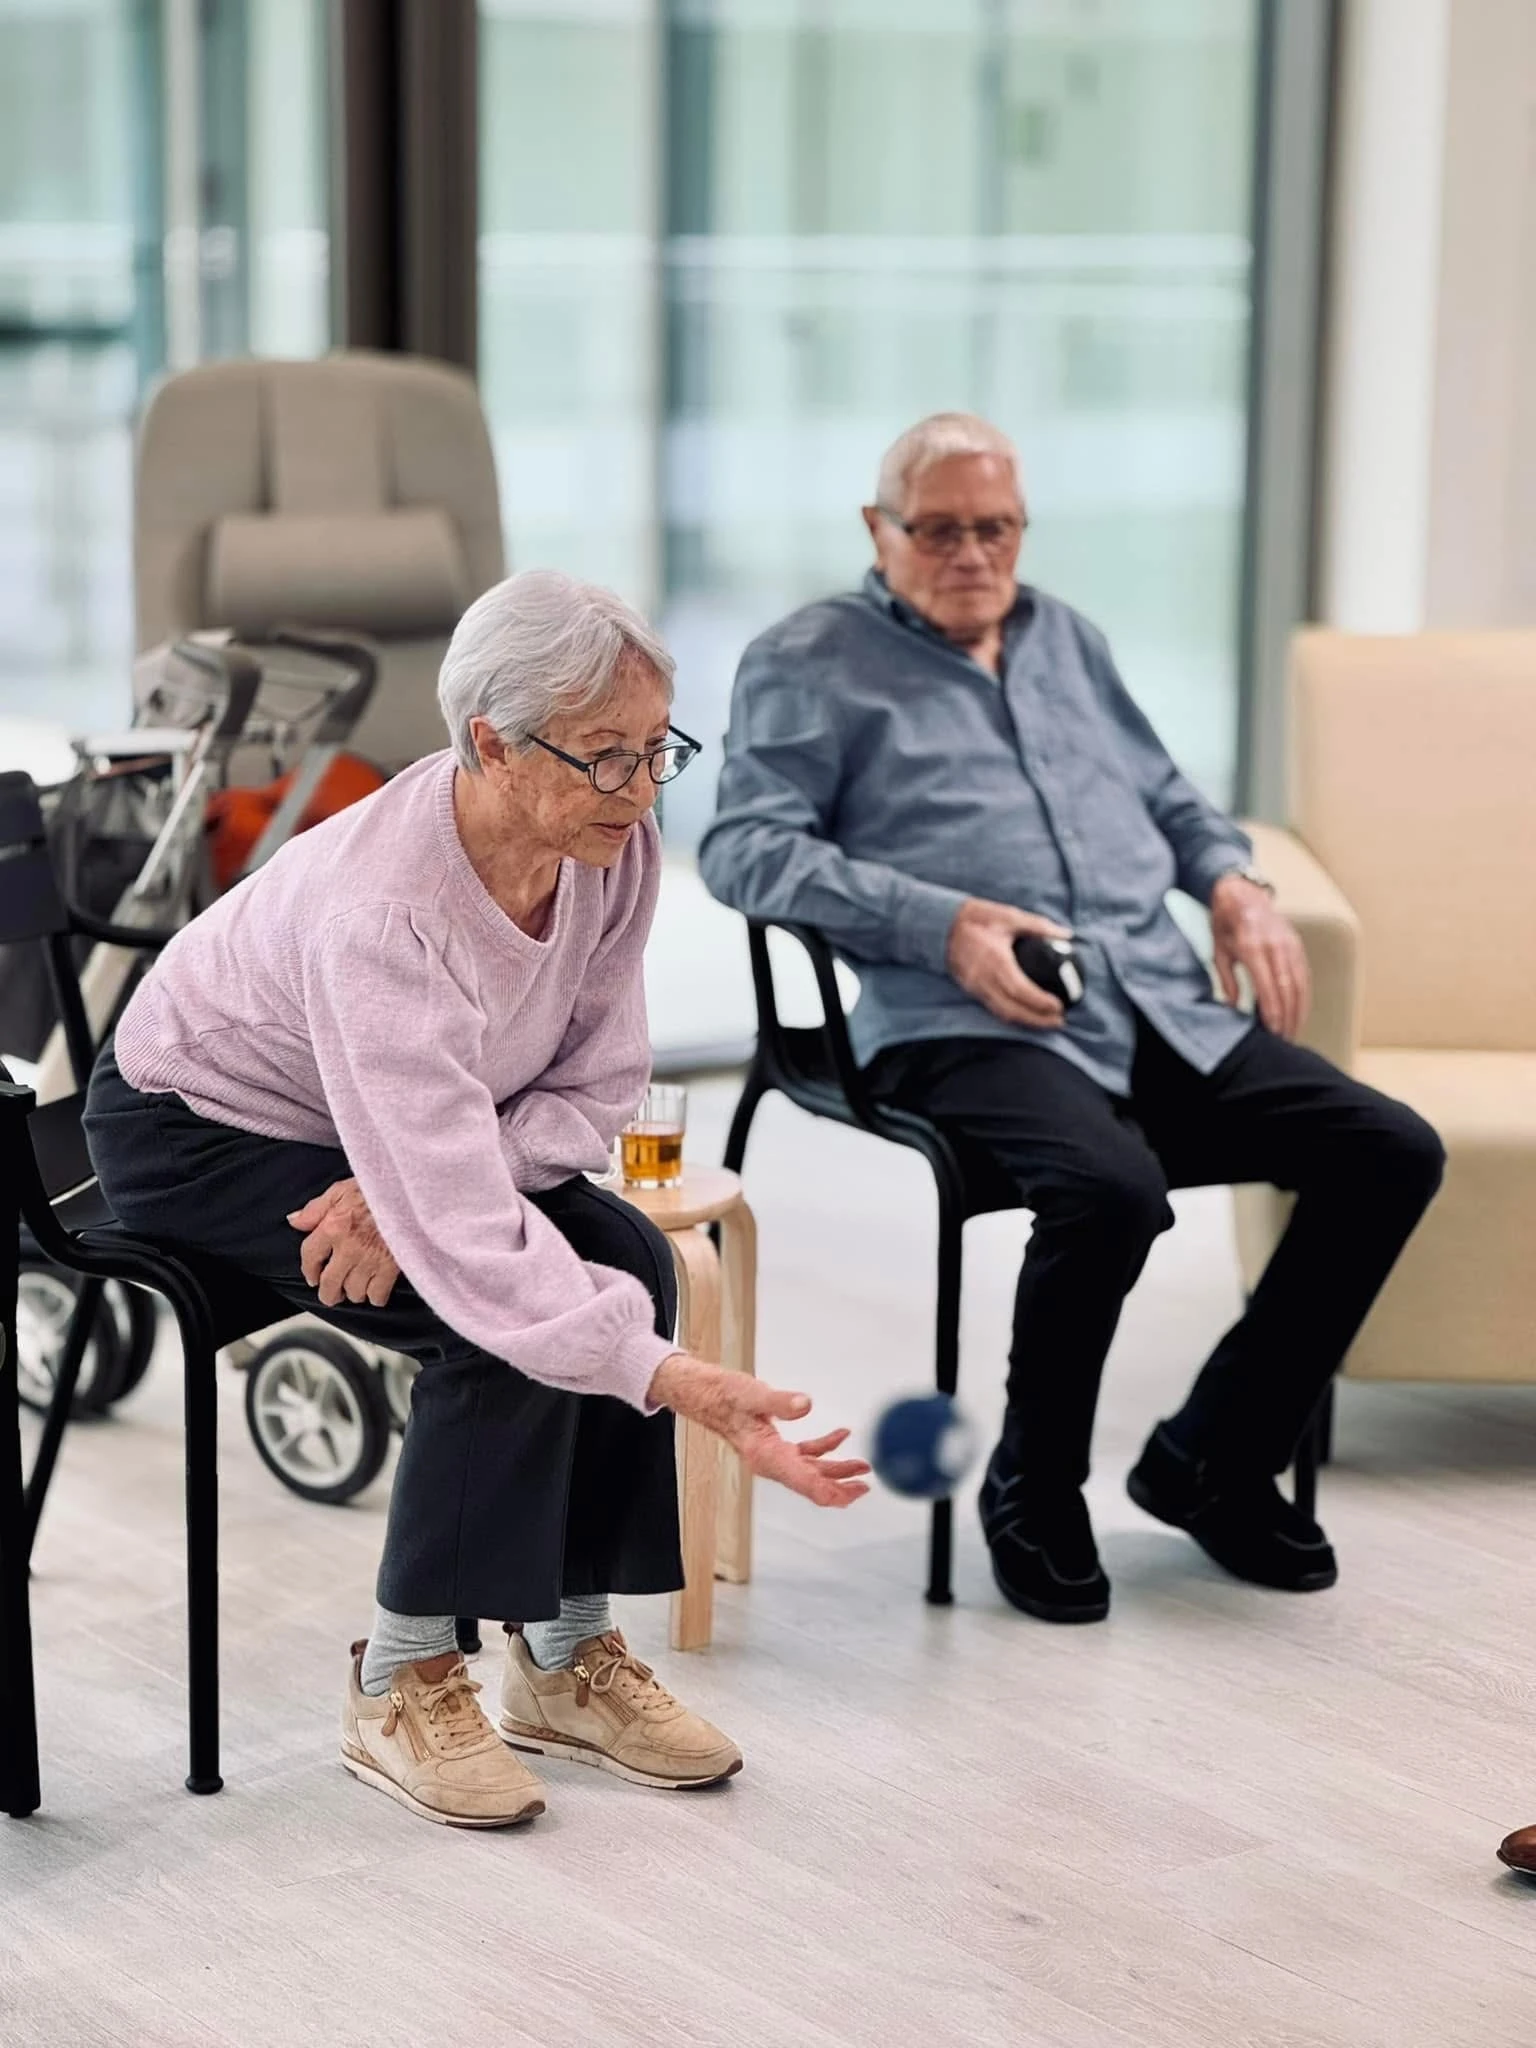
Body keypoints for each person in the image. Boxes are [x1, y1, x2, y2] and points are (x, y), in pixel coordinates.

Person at [84, 569, 868, 1830]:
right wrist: (682, 1382)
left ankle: (563, 1658)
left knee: (626, 1256)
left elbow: (600, 1082)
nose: (642, 786)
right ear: (490, 742)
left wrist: (414, 1189)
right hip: (198, 1124)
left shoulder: (610, 846)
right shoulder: (386, 913)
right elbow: (468, 1244)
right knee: (486, 1320)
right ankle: (400, 1678)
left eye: (657, 748)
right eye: (606, 755)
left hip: (380, 1115)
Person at [699, 412, 1445, 1626]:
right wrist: (942, 922)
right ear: (877, 529)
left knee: (1390, 1149)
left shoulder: (1067, 639)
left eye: (993, 528)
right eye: (937, 529)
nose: (971, 554)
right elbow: (744, 848)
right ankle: (1032, 1486)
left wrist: (1234, 882)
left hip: (1145, 993)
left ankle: (1211, 1456)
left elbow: (1164, 792)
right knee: (1111, 1190)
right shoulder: (810, 658)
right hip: (956, 1018)